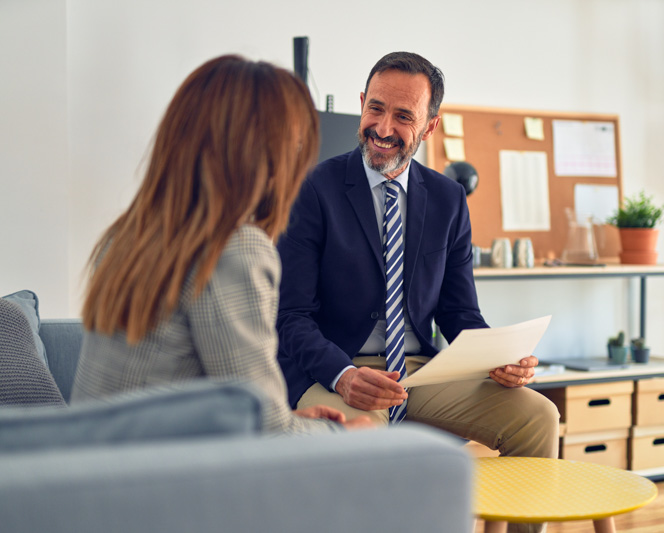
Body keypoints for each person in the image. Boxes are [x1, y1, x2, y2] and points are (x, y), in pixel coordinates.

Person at [276, 51, 559, 531]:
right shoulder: (314, 188)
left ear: (429, 126)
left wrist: (499, 357)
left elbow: (459, 313)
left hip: (418, 372)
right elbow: (290, 317)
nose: (383, 127)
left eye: (404, 116)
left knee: (539, 418)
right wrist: (343, 374)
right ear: (362, 103)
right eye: (376, 108)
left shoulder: (448, 199)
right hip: (331, 368)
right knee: (369, 444)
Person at [71, 55, 370, 434]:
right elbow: (269, 438)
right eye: (293, 147)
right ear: (262, 156)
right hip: (161, 485)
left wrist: (291, 422)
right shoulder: (233, 250)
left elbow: (216, 407)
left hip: (96, 474)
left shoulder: (128, 234)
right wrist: (347, 435)